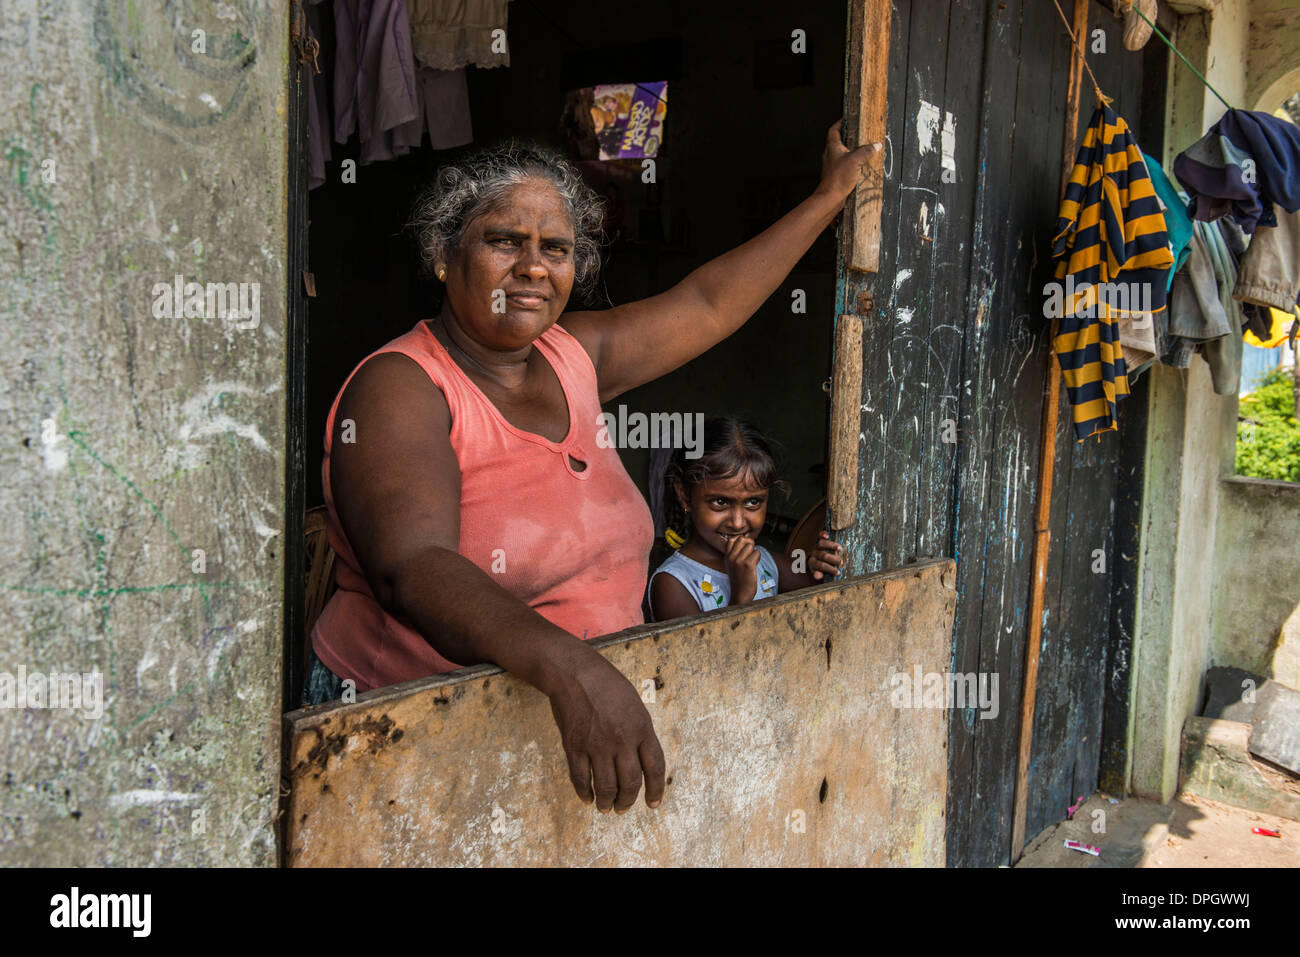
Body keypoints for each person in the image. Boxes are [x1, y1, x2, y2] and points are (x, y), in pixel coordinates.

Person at [307, 123, 879, 816]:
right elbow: (415, 565)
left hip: (571, 731)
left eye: (556, 248)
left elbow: (709, 303)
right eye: (503, 241)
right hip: (411, 742)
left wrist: (829, 195)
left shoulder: (571, 353)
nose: (533, 266)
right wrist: (574, 669)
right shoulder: (399, 385)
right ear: (442, 252)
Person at [648, 418, 844, 621]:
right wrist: (741, 597)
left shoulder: (766, 562)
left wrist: (818, 565)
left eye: (753, 502)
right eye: (721, 502)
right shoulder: (673, 583)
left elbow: (820, 592)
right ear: (684, 495)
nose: (738, 522)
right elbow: (706, 652)